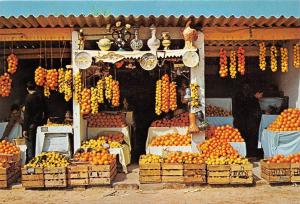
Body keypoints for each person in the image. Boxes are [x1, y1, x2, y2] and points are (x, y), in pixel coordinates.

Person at [233, 82, 263, 158]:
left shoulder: (240, 96)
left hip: (241, 121)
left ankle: (245, 154)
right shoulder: (251, 99)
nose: (262, 96)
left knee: (243, 137)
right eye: (261, 94)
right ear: (257, 93)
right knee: (250, 138)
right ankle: (250, 154)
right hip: (249, 122)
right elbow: (255, 111)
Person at [23, 81, 48, 162]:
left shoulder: (28, 98)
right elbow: (44, 110)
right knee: (39, 142)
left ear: (27, 89)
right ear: (35, 88)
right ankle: (39, 159)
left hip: (31, 125)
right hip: (40, 123)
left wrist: (25, 128)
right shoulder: (40, 96)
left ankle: (31, 161)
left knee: (31, 144)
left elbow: (27, 115)